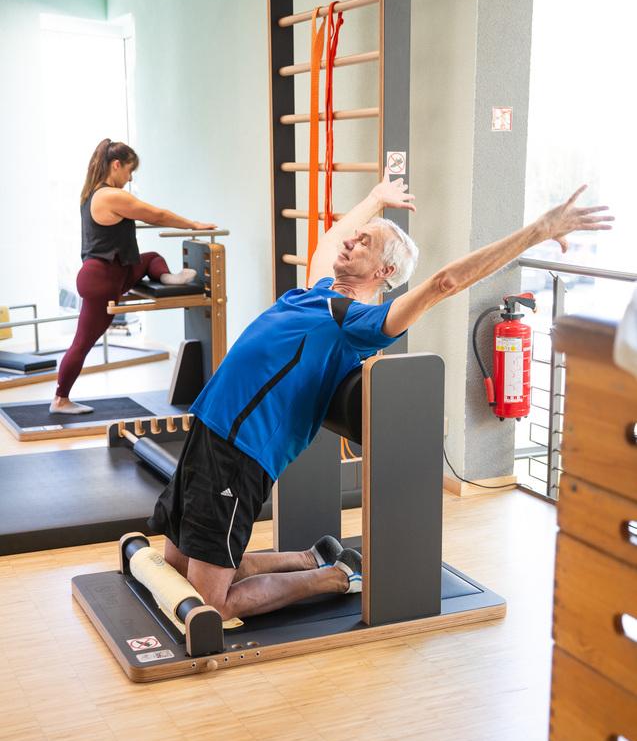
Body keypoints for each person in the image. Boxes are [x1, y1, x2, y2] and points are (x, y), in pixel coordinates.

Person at [148, 169, 613, 620]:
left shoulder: (360, 323)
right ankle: (310, 560)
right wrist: (374, 199)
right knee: (177, 568)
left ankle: (333, 578)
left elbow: (445, 282)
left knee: (211, 604)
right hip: (207, 427)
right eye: (357, 236)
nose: (350, 241)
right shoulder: (317, 292)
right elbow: (333, 235)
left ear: (386, 270)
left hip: (241, 450)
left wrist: (537, 231)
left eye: (365, 242)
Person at [50, 138, 218, 414]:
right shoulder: (110, 196)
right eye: (129, 170)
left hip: (116, 272)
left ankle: (166, 277)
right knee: (82, 343)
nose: (129, 178)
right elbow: (157, 215)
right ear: (116, 165)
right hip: (101, 280)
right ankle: (60, 399)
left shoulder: (91, 193)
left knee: (150, 258)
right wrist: (193, 225)